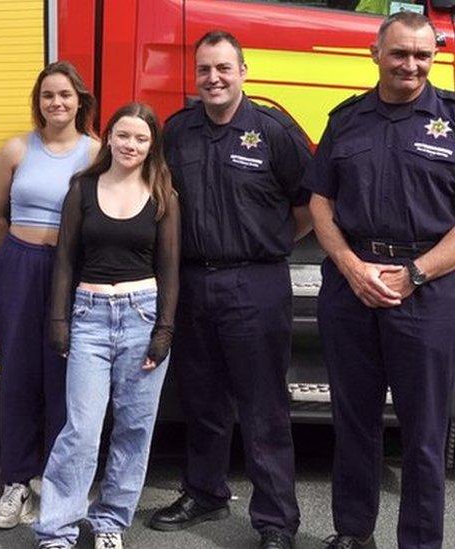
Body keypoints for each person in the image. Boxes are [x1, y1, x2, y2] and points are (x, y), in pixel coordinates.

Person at [147, 30, 311, 549]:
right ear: (194, 77)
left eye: (223, 68)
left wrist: (269, 242)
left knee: (263, 405)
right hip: (193, 281)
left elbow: (309, 204)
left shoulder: (272, 130)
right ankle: (205, 492)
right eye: (204, 70)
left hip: (255, 282)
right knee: (201, 399)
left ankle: (276, 522)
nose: (213, 79)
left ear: (243, 71)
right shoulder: (178, 131)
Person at [303, 12, 455, 549]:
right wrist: (349, 265)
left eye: (422, 55)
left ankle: (419, 542)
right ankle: (353, 532)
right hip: (352, 286)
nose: (410, 65)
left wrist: (415, 274)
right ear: (375, 53)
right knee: (354, 420)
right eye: (399, 54)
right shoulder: (346, 119)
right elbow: (321, 200)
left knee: (424, 432)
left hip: (429, 288)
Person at [33, 102, 179, 549]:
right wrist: (58, 320)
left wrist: (164, 331)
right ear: (108, 137)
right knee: (82, 428)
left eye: (140, 138)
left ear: (151, 145)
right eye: (123, 135)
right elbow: (65, 260)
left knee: (135, 427)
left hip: (142, 315)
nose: (130, 145)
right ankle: (57, 529)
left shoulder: (162, 195)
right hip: (89, 317)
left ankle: (110, 522)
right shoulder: (82, 188)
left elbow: (170, 270)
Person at [0, 61, 99, 529]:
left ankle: (55, 484)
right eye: (48, 95)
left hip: (70, 272)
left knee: (65, 377)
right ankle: (15, 482)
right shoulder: (16, 149)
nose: (57, 103)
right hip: (20, 265)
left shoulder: (96, 153)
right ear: (39, 102)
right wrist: (15, 254)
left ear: (80, 101)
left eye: (65, 95)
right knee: (18, 373)